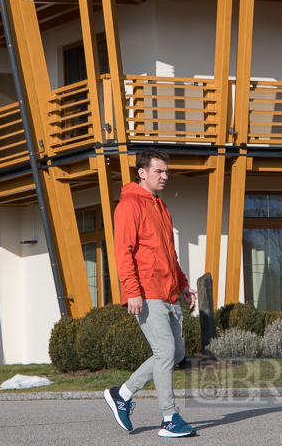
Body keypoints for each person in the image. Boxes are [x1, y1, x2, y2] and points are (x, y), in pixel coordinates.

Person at [103, 148, 198, 437]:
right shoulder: (129, 205)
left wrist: (182, 283)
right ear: (142, 173)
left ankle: (123, 393)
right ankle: (169, 418)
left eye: (166, 171)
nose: (165, 176)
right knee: (165, 350)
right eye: (159, 171)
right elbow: (123, 252)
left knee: (176, 352)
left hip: (168, 293)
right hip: (146, 293)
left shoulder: (160, 206)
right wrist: (132, 291)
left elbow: (170, 253)